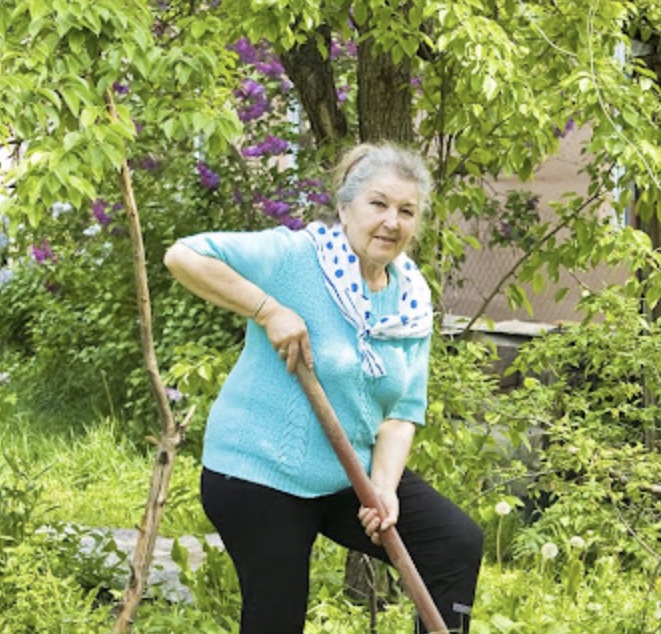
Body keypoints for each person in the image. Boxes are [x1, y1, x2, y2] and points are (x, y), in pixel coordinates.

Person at [164, 142, 483, 633]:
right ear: (345, 208)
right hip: (258, 471)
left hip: (342, 476)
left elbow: (402, 412)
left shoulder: (412, 300)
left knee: (453, 542)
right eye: (378, 204)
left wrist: (384, 489)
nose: (391, 222)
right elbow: (184, 255)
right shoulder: (298, 257)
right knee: (277, 619)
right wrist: (269, 310)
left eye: (406, 211)